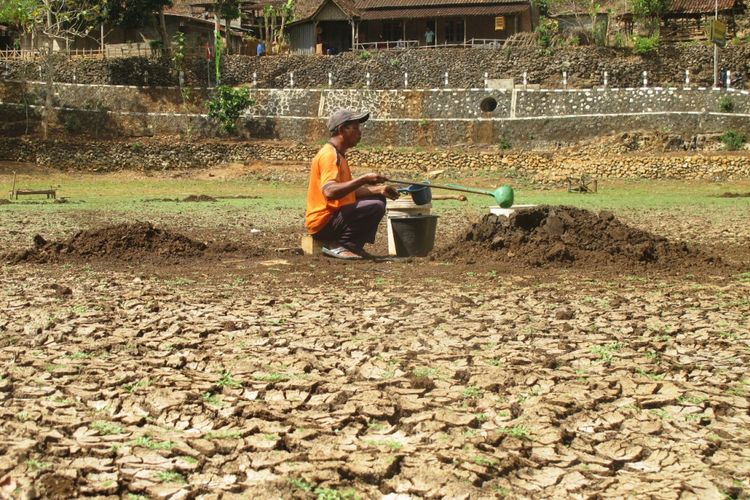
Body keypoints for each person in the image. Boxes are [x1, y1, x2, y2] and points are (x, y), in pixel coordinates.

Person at [305, 109, 399, 260]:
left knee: (378, 199)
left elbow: (349, 193)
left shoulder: (338, 155)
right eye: (355, 128)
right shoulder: (330, 155)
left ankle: (353, 246)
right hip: (323, 222)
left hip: (333, 218)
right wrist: (363, 179)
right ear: (342, 130)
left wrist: (379, 189)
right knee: (375, 206)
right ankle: (342, 244)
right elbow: (330, 192)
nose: (359, 133)